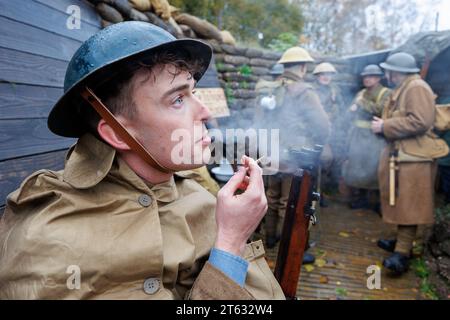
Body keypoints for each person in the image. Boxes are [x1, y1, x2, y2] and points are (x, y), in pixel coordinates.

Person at [0, 22, 284, 299]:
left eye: (193, 92)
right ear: (118, 134)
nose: (206, 112)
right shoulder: (47, 235)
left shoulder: (199, 196)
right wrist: (231, 242)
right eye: (177, 100)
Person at [372, 52, 448, 274]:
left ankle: (403, 254)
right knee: (402, 202)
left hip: (414, 158)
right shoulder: (406, 86)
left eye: (389, 70)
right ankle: (399, 243)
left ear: (397, 72)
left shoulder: (416, 87)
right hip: (404, 154)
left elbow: (420, 121)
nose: (387, 74)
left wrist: (385, 126)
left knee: (410, 205)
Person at [263, 47, 330, 265]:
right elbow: (323, 126)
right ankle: (288, 246)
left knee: (272, 195)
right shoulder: (305, 92)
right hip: (296, 153)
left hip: (271, 148)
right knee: (290, 201)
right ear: (302, 67)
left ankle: (269, 238)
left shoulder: (270, 88)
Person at [343, 65, 391, 211]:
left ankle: (378, 203)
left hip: (375, 136)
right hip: (358, 135)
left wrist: (361, 103)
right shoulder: (361, 93)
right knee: (358, 166)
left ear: (378, 78)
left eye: (370, 76)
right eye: (365, 77)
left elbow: (381, 109)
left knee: (376, 167)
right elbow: (351, 111)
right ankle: (361, 199)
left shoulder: (386, 93)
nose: (367, 79)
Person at [312, 63, 346, 205]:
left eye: (329, 74)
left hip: (330, 132)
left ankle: (321, 194)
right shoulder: (311, 91)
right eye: (323, 74)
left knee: (327, 163)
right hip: (313, 132)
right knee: (312, 163)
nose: (326, 77)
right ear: (317, 76)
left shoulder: (335, 91)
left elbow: (342, 110)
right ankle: (310, 193)